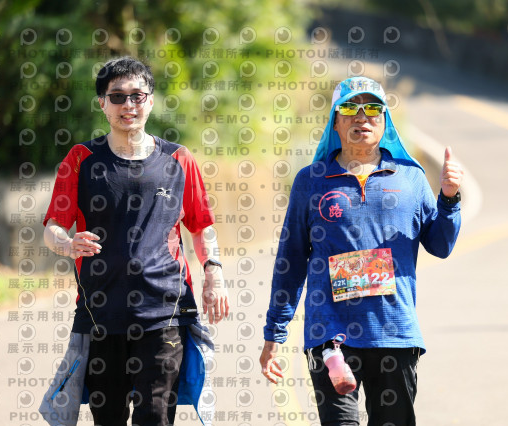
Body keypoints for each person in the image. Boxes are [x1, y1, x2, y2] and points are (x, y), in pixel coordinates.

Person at [260, 76, 463, 425]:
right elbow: (290, 260)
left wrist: (449, 199)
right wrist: (274, 333)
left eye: (372, 108)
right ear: (335, 121)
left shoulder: (410, 178)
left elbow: (441, 245)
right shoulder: (311, 180)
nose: (361, 117)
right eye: (349, 108)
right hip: (331, 336)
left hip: (394, 334)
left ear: (384, 121)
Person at [40, 56, 229, 426]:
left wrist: (214, 273)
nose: (128, 105)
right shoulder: (81, 159)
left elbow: (202, 226)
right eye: (117, 97)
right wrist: (67, 244)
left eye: (137, 96)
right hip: (100, 313)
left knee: (155, 416)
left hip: (165, 312)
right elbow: (53, 227)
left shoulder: (178, 159)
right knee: (107, 417)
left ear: (151, 101)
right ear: (102, 103)